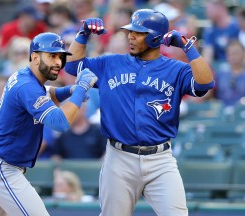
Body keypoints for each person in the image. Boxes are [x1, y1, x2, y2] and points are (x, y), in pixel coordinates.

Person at [65, 9, 215, 216]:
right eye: (130, 31)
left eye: (138, 33)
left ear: (155, 38)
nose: (131, 36)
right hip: (119, 159)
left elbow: (206, 83)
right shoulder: (110, 63)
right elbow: (72, 66)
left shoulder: (176, 69)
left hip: (160, 160)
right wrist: (82, 34)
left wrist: (188, 47)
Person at [0, 32, 97, 216]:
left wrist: (70, 90)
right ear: (35, 57)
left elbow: (46, 93)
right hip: (2, 168)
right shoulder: (27, 85)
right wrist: (80, 89)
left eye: (61, 57)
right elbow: (60, 122)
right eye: (52, 56)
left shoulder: (26, 77)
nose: (58, 62)